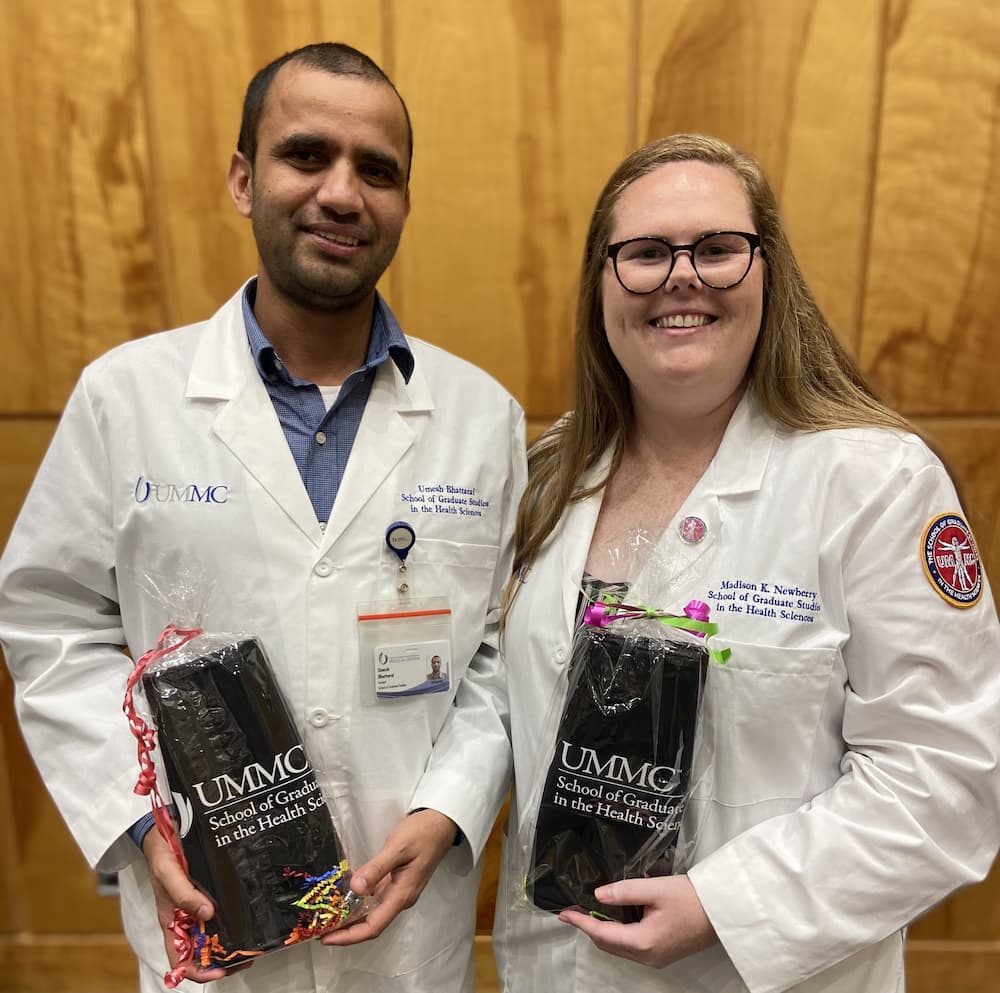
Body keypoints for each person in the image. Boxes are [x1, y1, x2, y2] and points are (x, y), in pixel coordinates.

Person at [0, 43, 525, 993]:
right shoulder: (126, 398)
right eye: (305, 155)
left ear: (404, 201)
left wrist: (448, 810)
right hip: (208, 920)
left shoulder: (483, 416)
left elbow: (500, 650)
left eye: (378, 170)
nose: (341, 192)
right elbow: (51, 622)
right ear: (245, 179)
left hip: (402, 940)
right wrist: (137, 821)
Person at [494, 133, 1000, 992]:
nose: (681, 276)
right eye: (646, 253)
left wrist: (725, 904)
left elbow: (946, 783)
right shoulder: (552, 477)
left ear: (769, 273)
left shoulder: (873, 481)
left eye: (719, 249)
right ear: (601, 286)